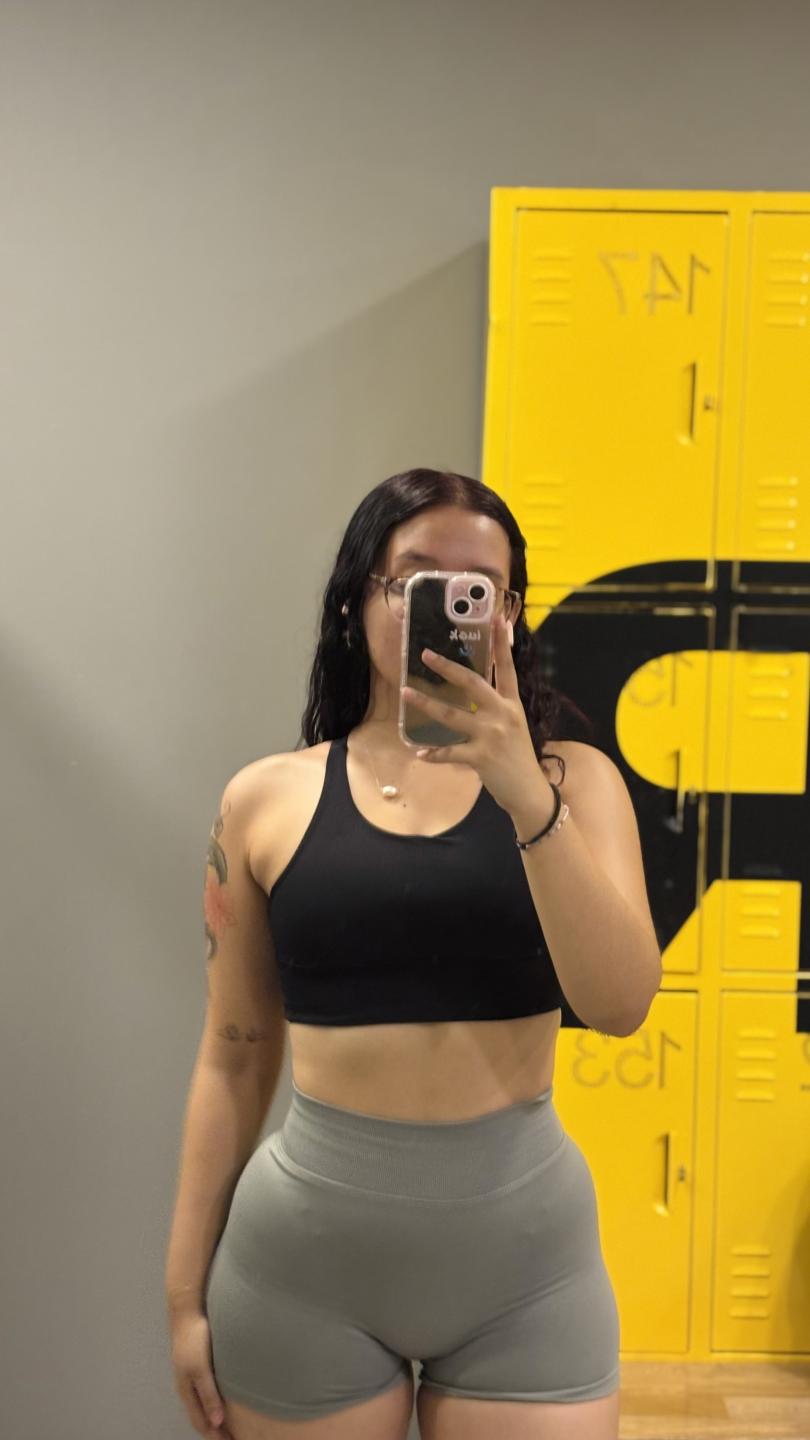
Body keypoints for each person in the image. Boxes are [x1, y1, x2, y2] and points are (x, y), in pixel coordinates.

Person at [166, 468, 660, 1440]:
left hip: (529, 1273)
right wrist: (184, 1297)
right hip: (303, 1269)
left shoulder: (576, 784)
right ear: (359, 600)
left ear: (509, 615)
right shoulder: (264, 800)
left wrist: (526, 796)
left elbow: (619, 1004)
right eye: (417, 579)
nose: (448, 603)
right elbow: (233, 1054)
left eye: (481, 587)